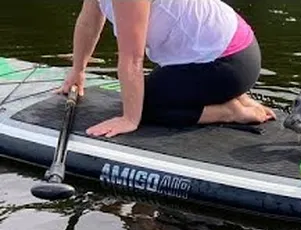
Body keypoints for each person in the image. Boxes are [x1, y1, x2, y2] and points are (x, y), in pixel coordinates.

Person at [57, 0, 276, 138]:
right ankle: (234, 96)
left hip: (229, 62)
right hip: (231, 53)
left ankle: (231, 111)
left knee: (147, 108)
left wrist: (130, 119)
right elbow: (89, 21)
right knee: (142, 97)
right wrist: (78, 70)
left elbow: (132, 58)